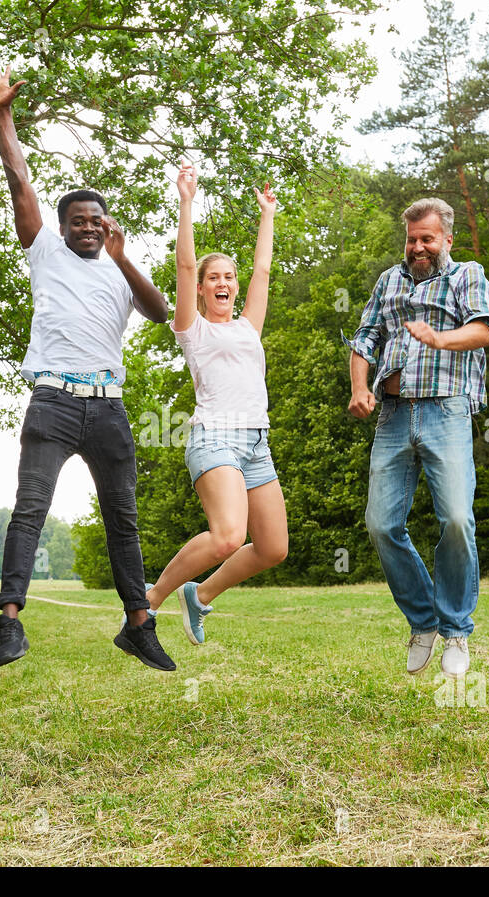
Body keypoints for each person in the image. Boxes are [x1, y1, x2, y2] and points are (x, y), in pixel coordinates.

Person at [0, 67, 177, 671]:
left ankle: (138, 623)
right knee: (30, 506)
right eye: (78, 221)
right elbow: (19, 183)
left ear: (107, 225)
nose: (87, 227)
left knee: (123, 517)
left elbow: (161, 312)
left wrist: (125, 255)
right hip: (54, 404)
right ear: (62, 229)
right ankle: (9, 620)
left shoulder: (118, 265)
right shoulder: (45, 250)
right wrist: (4, 115)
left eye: (97, 221)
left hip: (108, 407)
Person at [348, 199, 489, 677]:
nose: (418, 247)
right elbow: (364, 338)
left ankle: (456, 630)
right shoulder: (389, 280)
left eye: (427, 239)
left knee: (456, 518)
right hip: (392, 414)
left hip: (446, 409)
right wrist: (359, 388)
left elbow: (482, 332)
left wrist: (439, 338)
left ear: (446, 240)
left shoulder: (467, 275)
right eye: (413, 238)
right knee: (380, 524)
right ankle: (424, 621)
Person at [144, 162, 288, 644]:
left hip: (256, 444)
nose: (224, 283)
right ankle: (148, 603)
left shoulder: (248, 326)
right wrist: (186, 202)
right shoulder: (193, 329)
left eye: (229, 276)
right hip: (215, 439)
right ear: (203, 288)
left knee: (272, 548)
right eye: (215, 278)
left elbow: (263, 270)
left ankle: (199, 596)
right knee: (228, 535)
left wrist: (267, 214)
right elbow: (184, 264)